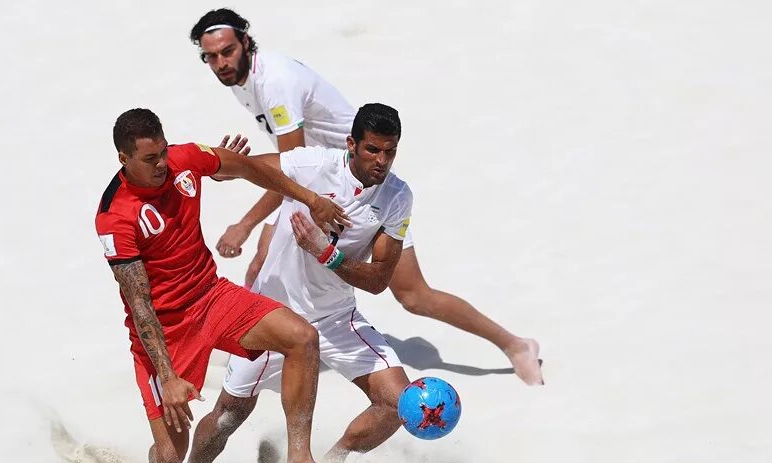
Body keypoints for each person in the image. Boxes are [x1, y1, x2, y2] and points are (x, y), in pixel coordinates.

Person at [188, 8, 543, 385]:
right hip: (329, 185)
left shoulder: (274, 82)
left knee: (412, 296)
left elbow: (286, 175)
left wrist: (244, 224)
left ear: (245, 42)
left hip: (359, 186)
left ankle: (515, 344)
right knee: (264, 263)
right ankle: (248, 348)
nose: (220, 62)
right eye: (210, 56)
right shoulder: (246, 81)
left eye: (227, 51)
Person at [94, 109, 348, 463]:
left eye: (163, 152)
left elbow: (250, 168)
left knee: (301, 337)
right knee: (171, 454)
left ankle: (299, 458)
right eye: (149, 159)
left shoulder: (185, 159)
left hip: (212, 296)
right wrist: (168, 376)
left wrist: (312, 199)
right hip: (164, 331)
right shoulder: (115, 216)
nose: (161, 165)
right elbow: (140, 307)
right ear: (123, 159)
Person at [188, 103, 420, 463]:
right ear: (351, 144)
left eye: (390, 151)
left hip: (335, 315)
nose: (382, 160)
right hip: (272, 314)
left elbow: (378, 281)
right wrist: (220, 170)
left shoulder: (397, 197)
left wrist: (327, 254)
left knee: (398, 404)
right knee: (229, 415)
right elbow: (252, 169)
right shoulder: (315, 164)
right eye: (372, 149)